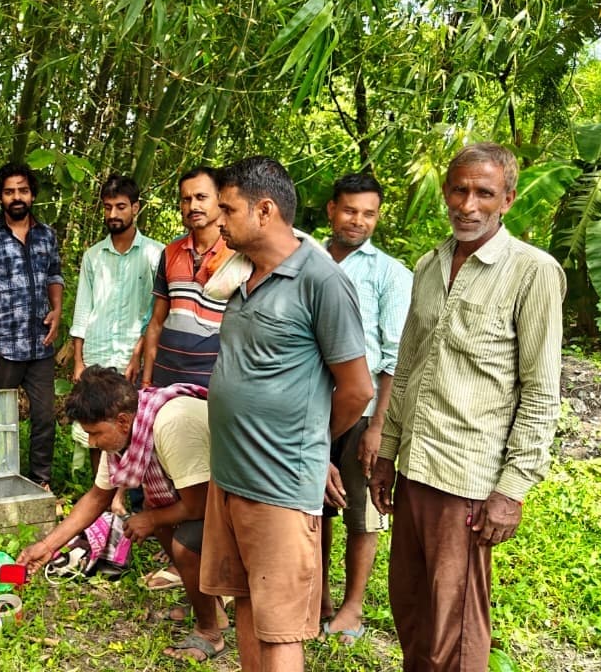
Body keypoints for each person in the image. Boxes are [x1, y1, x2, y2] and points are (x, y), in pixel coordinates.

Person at [369, 143, 565, 672]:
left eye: (484, 193)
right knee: (411, 608)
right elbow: (407, 365)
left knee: (455, 627)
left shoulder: (532, 271)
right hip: (414, 466)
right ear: (446, 192)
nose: (468, 204)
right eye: (459, 189)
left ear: (508, 199)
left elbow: (541, 389)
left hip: (468, 478)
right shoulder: (429, 265)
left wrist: (512, 489)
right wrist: (387, 452)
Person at [201, 155, 372, 672]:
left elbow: (357, 388)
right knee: (249, 604)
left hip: (278, 485)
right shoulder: (241, 274)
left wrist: (312, 445)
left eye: (227, 209)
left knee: (281, 632)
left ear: (265, 210)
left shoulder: (321, 280)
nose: (219, 220)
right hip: (230, 478)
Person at [17, 367, 226, 661]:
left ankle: (210, 633)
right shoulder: (126, 434)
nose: (91, 442)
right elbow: (97, 497)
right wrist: (47, 547)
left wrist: (152, 519)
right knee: (160, 519)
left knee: (181, 540)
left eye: (94, 434)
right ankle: (212, 607)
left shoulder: (171, 423)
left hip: (246, 500)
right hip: (210, 495)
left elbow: (198, 505)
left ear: (123, 421)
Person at [317, 173, 412, 642]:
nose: (358, 221)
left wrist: (379, 426)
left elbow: (395, 356)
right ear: (332, 209)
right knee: (314, 506)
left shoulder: (390, 274)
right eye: (350, 210)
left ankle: (352, 606)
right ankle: (320, 598)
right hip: (312, 406)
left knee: (359, 509)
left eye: (368, 213)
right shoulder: (305, 258)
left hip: (363, 410)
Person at [0, 162, 64, 488]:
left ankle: (40, 481)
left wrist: (58, 310)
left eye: (22, 190)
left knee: (44, 417)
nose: (17, 197)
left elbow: (54, 276)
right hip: (2, 344)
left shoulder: (46, 235)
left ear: (32, 195)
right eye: (9, 192)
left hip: (40, 343)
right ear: (0, 198)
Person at [69, 175, 164, 475]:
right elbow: (83, 308)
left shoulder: (155, 254)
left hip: (130, 357)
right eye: (108, 207)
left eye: (121, 206)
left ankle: (126, 497)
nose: (113, 214)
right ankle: (100, 503)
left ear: (135, 207)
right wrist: (78, 361)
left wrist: (138, 353)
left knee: (130, 428)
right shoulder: (93, 256)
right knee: (96, 427)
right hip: (97, 354)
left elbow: (155, 311)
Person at [140, 167, 233, 390]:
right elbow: (156, 322)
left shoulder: (238, 255)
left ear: (220, 199)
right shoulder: (170, 252)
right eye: (186, 199)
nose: (193, 206)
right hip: (165, 379)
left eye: (201, 197)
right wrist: (146, 381)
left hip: (212, 384)